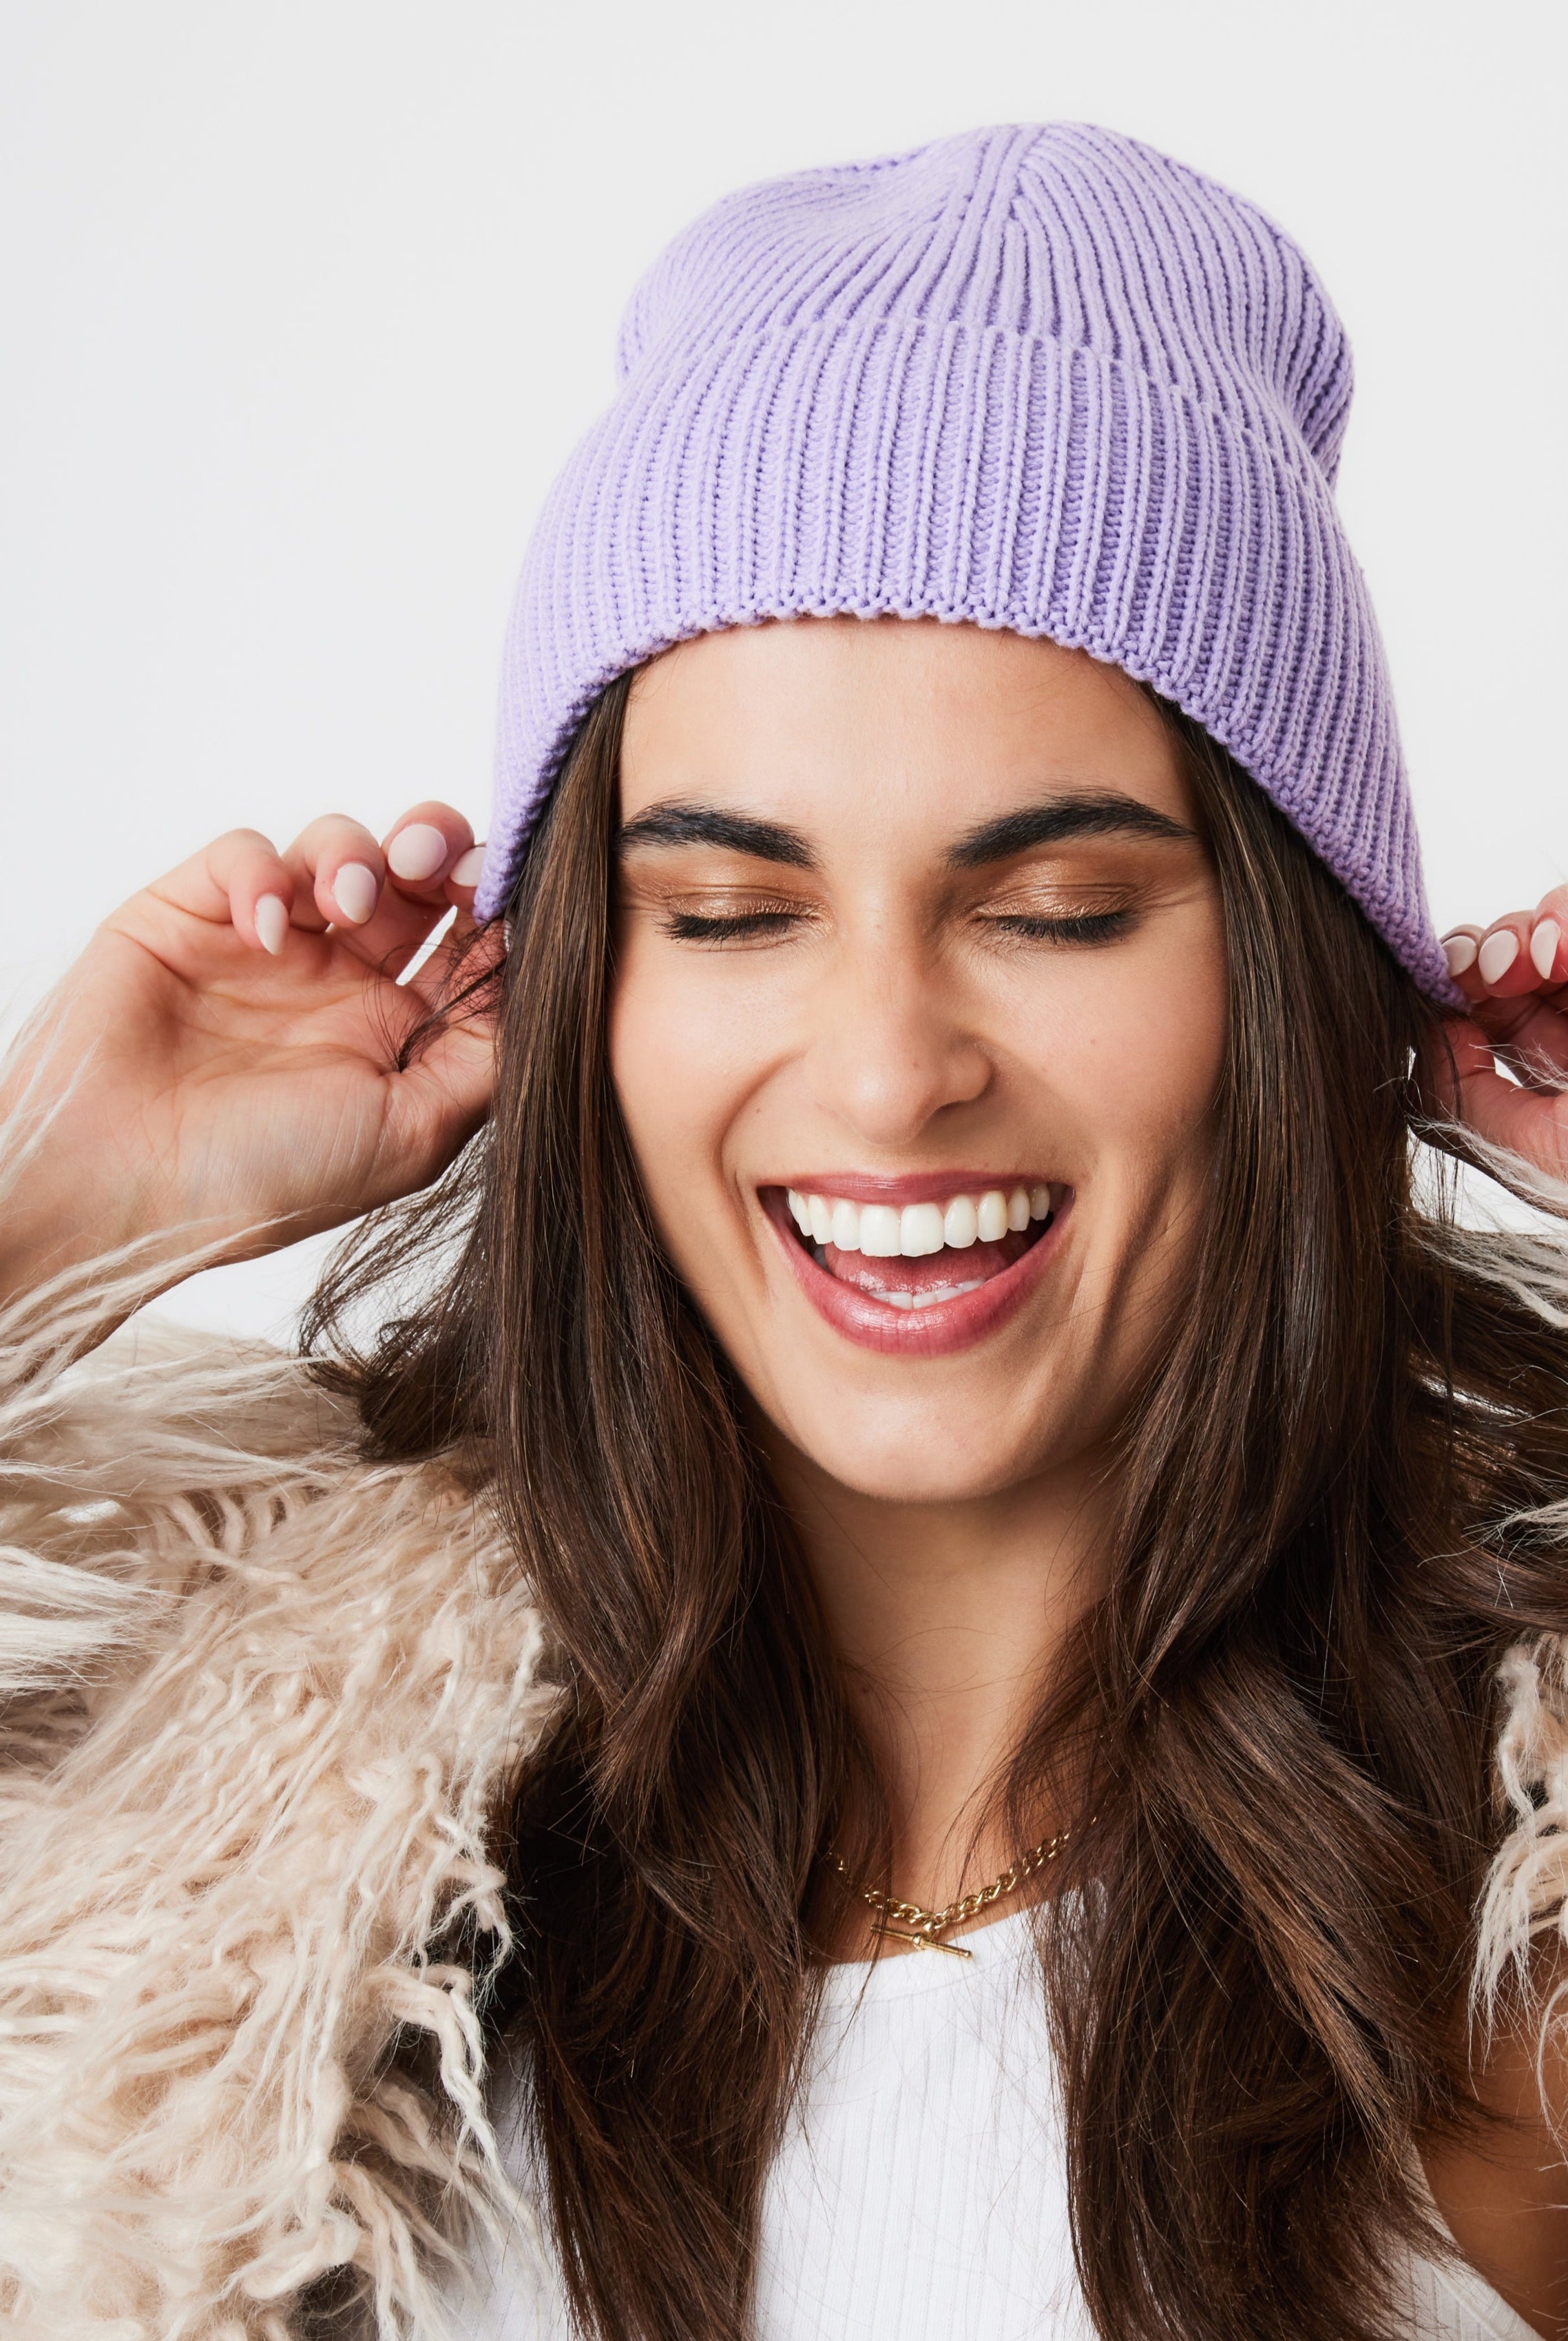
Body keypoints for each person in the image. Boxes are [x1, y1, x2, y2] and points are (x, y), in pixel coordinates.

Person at [3, 120, 1568, 2341]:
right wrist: (47, 1202)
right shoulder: (235, 1849)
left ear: (1296, 980)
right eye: (732, 914)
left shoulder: (1525, 1924)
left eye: (1053, 909)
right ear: (588, 998)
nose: (883, 1068)